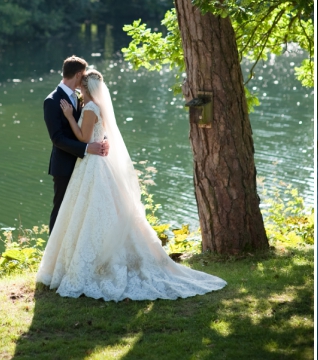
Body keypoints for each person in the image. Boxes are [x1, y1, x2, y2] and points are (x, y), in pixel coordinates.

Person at [37, 69, 226, 300]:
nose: (79, 90)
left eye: (82, 87)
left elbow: (85, 138)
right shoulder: (96, 106)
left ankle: (91, 263)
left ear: (85, 87)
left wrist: (70, 118)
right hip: (93, 164)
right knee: (95, 211)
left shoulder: (89, 107)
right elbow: (95, 134)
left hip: (92, 165)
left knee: (91, 212)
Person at [43, 56, 109, 233]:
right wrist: (87, 148)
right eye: (84, 74)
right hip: (65, 165)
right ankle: (53, 254)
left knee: (84, 211)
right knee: (61, 210)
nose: (86, 78)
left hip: (87, 165)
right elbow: (57, 138)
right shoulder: (52, 100)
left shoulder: (82, 97)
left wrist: (104, 140)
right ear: (79, 74)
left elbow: (95, 122)